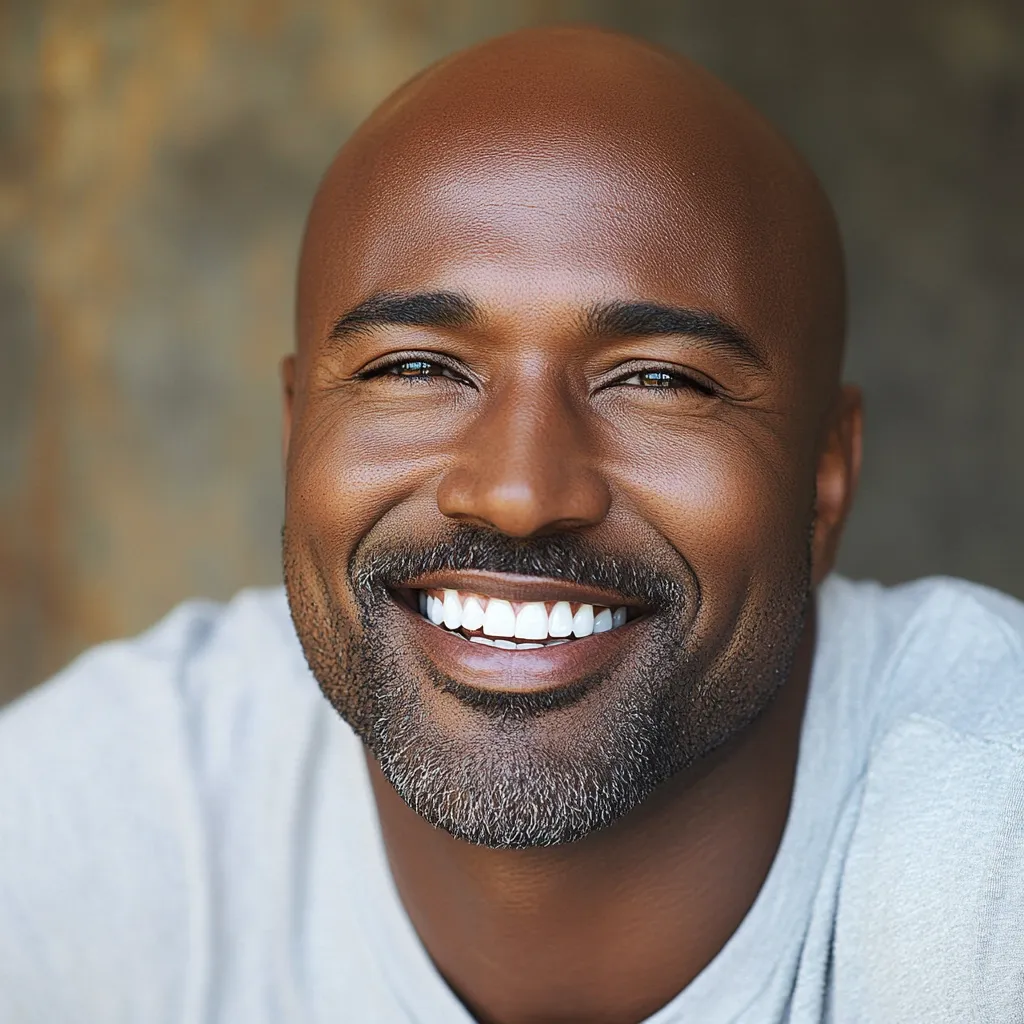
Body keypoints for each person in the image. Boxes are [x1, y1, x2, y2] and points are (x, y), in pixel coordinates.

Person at [2, 24, 1023, 1024]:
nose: (519, 494)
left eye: (660, 380)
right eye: (415, 367)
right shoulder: (110, 816)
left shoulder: (988, 839)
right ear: (294, 429)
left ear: (825, 479)